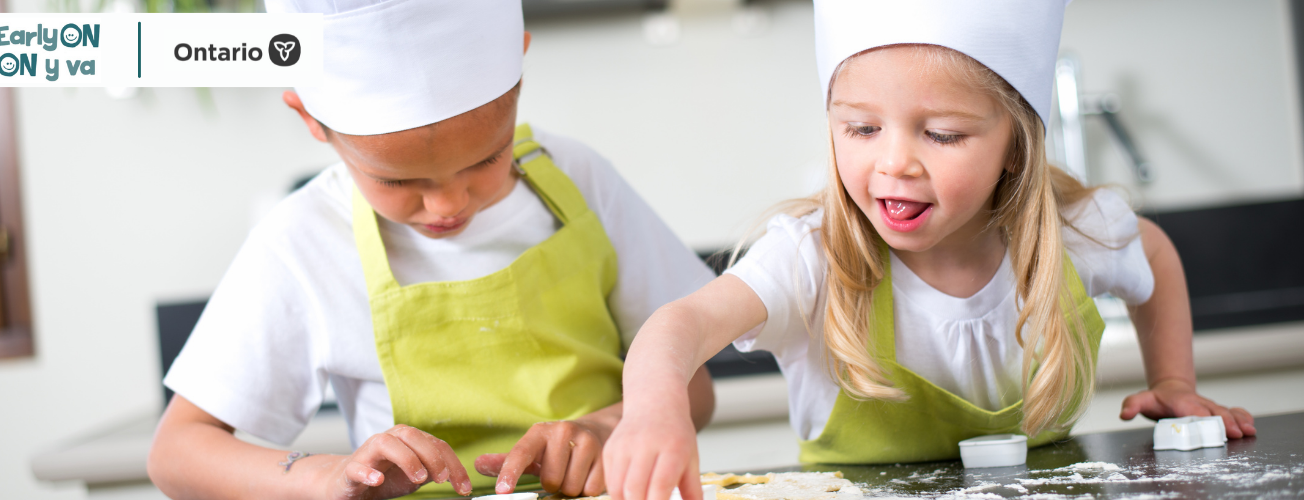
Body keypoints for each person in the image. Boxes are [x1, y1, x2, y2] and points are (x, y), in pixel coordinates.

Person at [602, 2, 1255, 499]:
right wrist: (656, 411)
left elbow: (1156, 255)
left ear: (1015, 146)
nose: (894, 163)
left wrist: (1173, 381)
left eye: (941, 134)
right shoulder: (810, 261)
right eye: (860, 127)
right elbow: (679, 325)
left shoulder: (1075, 235)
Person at [147, 1, 716, 499]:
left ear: (518, 69)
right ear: (311, 120)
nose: (448, 204)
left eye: (487, 159)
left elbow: (693, 387)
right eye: (397, 182)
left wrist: (610, 426)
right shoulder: (304, 241)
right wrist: (327, 477)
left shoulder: (578, 183)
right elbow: (176, 454)